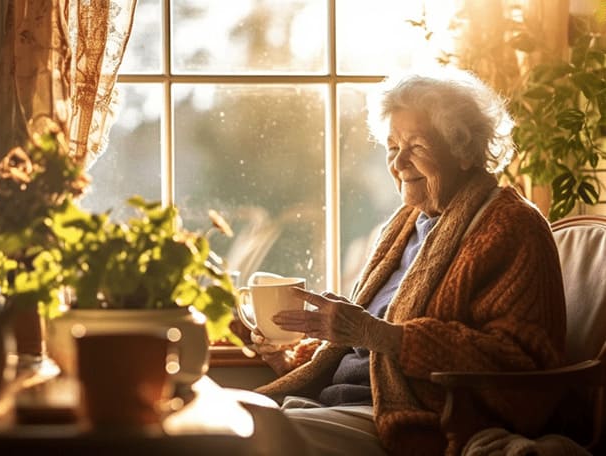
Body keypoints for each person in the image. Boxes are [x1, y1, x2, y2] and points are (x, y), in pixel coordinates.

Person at [240, 68, 567, 456]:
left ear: (463, 149)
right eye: (392, 147)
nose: (398, 163)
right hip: (339, 402)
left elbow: (521, 369)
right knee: (215, 418)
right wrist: (289, 354)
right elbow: (362, 349)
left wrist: (379, 335)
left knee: (246, 431)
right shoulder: (403, 225)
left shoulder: (512, 226)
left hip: (406, 415)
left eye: (416, 146)